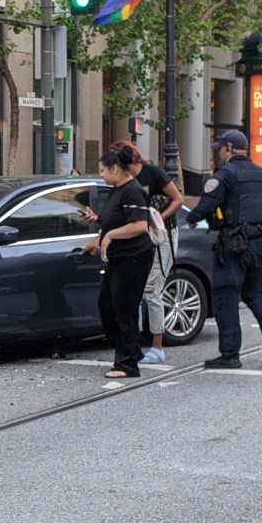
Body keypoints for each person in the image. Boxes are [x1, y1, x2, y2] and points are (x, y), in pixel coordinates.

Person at [185, 130, 262, 369]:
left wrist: (192, 217)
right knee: (255, 293)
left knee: (225, 295)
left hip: (235, 244)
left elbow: (207, 203)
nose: (219, 153)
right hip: (261, 242)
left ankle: (230, 354)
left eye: (221, 148)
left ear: (229, 149)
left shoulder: (226, 174)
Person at [111, 140, 183, 365]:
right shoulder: (122, 182)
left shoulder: (152, 173)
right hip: (138, 240)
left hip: (160, 237)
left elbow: (177, 199)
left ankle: (157, 347)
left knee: (153, 290)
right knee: (137, 291)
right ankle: (137, 345)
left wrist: (159, 220)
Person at [90, 146, 155, 379]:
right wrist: (99, 224)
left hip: (133, 258)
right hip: (117, 258)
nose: (101, 175)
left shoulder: (133, 191)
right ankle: (131, 351)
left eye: (102, 170)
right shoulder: (117, 190)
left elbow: (139, 225)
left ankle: (126, 364)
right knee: (107, 306)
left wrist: (110, 235)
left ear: (115, 169)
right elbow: (114, 218)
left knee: (123, 309)